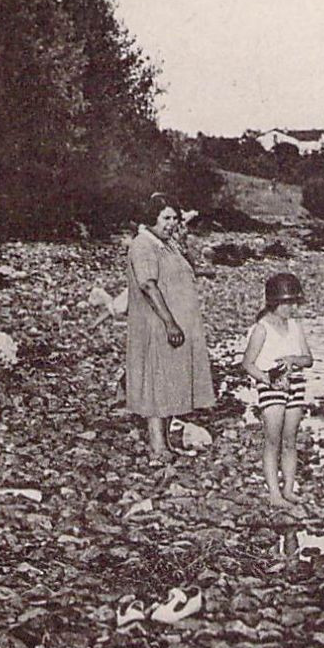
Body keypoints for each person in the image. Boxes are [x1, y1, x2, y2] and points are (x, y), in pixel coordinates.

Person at [125, 195, 214, 460]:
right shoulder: (143, 245)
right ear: (151, 217)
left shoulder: (167, 244)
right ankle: (157, 445)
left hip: (173, 321)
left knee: (170, 380)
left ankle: (164, 442)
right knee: (157, 381)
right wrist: (170, 322)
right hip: (156, 323)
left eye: (175, 218)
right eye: (166, 218)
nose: (171, 223)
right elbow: (148, 285)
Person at [240, 273, 315, 510]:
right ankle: (274, 492)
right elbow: (247, 364)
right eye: (288, 303)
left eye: (295, 303)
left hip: (295, 383)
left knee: (290, 439)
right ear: (274, 302)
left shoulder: (295, 326)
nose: (293, 308)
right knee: (273, 440)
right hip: (271, 384)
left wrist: (294, 360)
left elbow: (308, 359)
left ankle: (289, 489)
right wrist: (267, 379)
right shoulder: (261, 329)